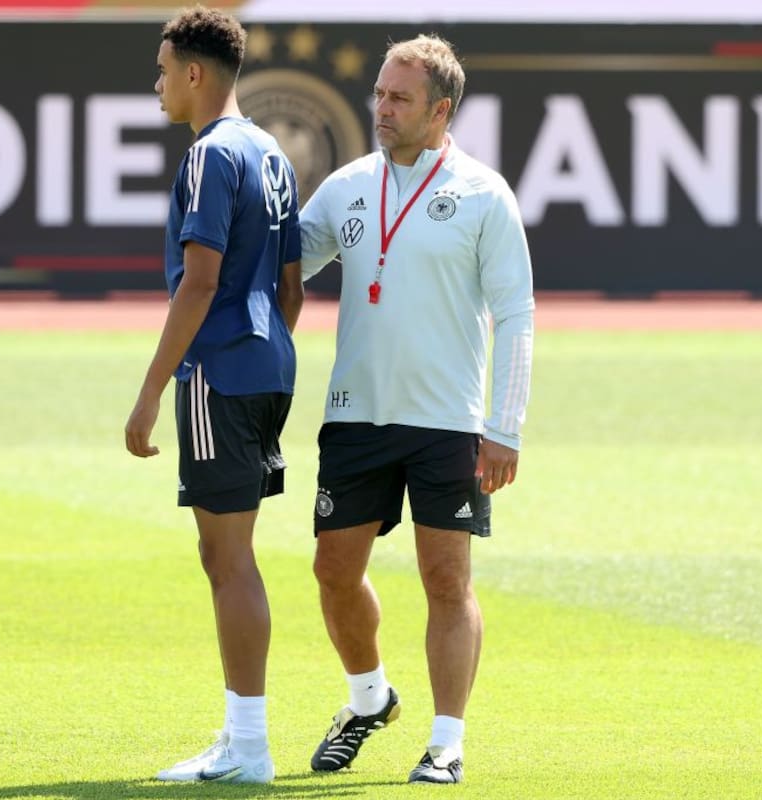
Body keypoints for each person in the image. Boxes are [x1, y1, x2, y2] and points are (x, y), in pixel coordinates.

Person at [298, 34, 534, 785]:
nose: (381, 108)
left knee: (445, 580)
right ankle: (369, 699)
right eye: (379, 92)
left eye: (399, 98)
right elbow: (283, 265)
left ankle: (446, 740)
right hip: (356, 413)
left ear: (441, 110)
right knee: (334, 572)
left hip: (447, 423)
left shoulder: (484, 193)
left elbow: (517, 313)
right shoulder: (344, 188)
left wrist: (504, 426)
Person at [124, 5, 303, 785]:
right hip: (268, 369)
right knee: (226, 554)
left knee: (229, 561)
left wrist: (151, 389)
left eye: (163, 70)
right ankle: (240, 738)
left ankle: (251, 748)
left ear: (195, 74)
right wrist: (265, 344)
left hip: (218, 375)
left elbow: (198, 283)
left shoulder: (208, 156)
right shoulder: (273, 153)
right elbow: (292, 288)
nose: (157, 83)